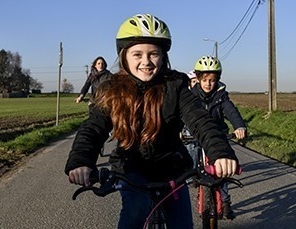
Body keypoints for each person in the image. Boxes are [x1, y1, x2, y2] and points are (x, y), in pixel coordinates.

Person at [65, 14, 239, 229]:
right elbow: (92, 129)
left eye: (153, 54)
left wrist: (220, 152)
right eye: (137, 54)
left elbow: (200, 120)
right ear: (124, 57)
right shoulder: (112, 90)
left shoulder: (175, 85)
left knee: (182, 224)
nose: (146, 61)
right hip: (132, 170)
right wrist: (81, 160)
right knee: (135, 212)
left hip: (172, 171)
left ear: (163, 57)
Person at [189, 55, 247, 220]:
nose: (208, 83)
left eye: (212, 80)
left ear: (217, 80)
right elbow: (183, 115)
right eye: (205, 79)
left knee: (222, 171)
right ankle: (195, 177)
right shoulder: (191, 96)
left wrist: (239, 126)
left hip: (219, 136)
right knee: (191, 155)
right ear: (198, 79)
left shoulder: (221, 96)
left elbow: (231, 112)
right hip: (198, 135)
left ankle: (226, 202)